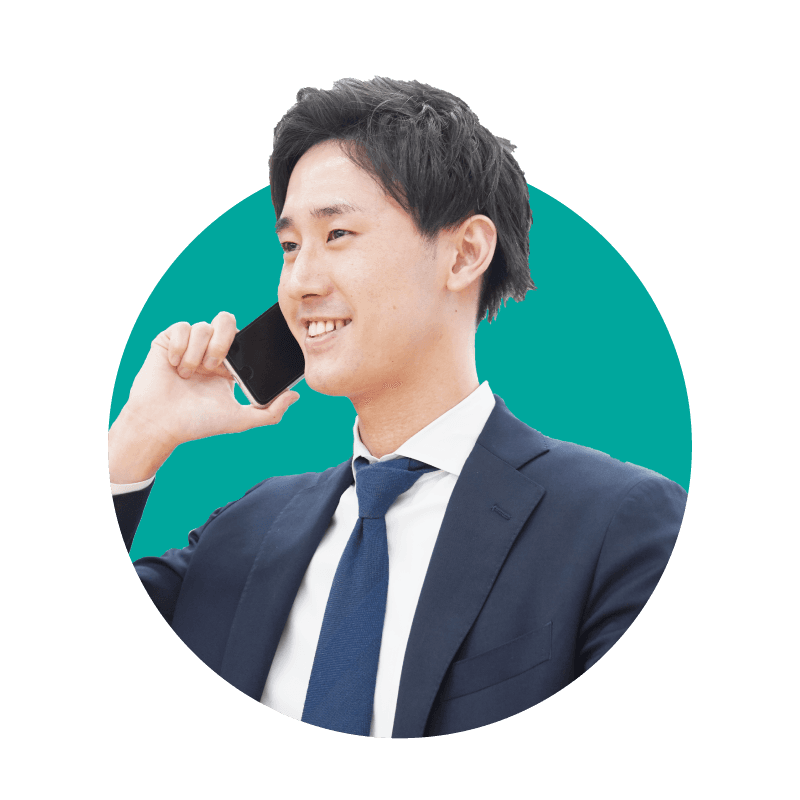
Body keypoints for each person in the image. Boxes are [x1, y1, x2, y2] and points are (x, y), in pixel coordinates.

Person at [108, 77, 687, 738]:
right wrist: (136, 439)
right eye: (290, 246)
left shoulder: (617, 525)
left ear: (465, 253)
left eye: (338, 233)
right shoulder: (243, 533)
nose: (300, 283)